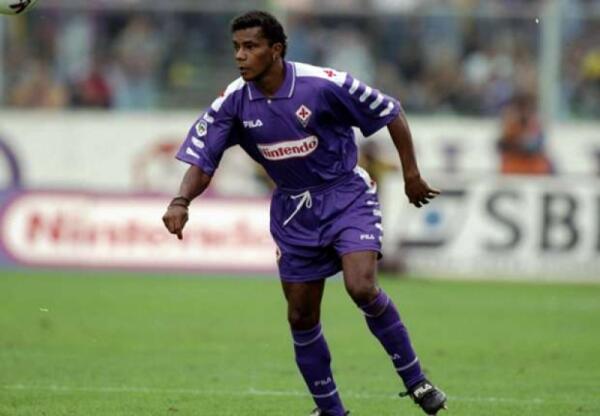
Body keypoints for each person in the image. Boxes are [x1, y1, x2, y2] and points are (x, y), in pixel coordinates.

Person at [162, 11, 446, 416]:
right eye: (236, 47)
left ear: (276, 50)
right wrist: (181, 201)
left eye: (250, 47)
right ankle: (330, 410)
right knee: (300, 315)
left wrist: (411, 175)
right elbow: (204, 160)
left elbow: (390, 110)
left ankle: (416, 380)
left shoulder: (322, 84)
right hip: (293, 210)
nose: (240, 56)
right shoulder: (233, 102)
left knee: (361, 287)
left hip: (346, 195)